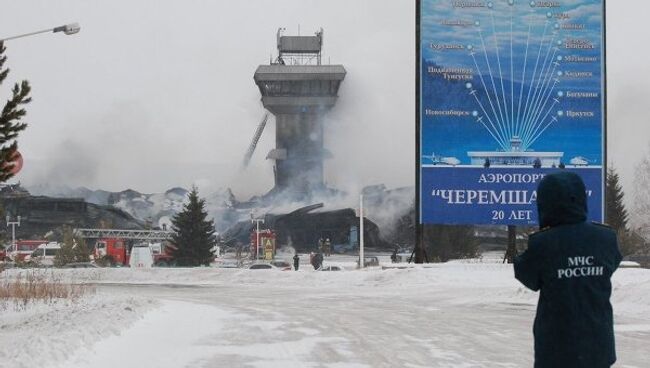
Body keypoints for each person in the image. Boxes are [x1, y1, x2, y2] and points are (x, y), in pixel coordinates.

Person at [514, 171, 622, 368]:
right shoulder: (607, 238)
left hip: (557, 350)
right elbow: (612, 264)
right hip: (599, 348)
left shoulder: (542, 243)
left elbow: (527, 276)